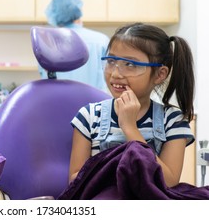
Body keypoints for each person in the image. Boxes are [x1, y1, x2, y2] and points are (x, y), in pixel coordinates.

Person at [69, 23, 195, 188]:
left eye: (130, 65)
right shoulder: (89, 116)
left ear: (160, 74)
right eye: (112, 61)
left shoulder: (172, 121)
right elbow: (74, 181)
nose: (115, 74)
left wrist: (130, 129)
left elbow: (169, 181)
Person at [39, 0, 109, 92]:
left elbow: (46, 79)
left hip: (61, 103)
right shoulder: (101, 40)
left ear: (54, 14)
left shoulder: (48, 43)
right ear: (78, 11)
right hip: (96, 104)